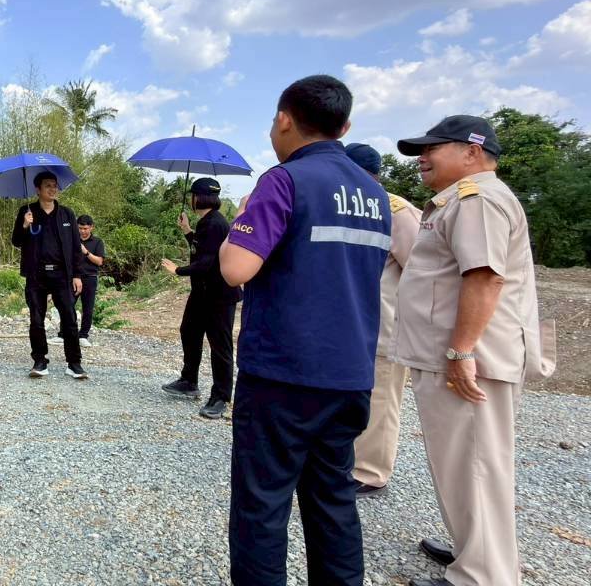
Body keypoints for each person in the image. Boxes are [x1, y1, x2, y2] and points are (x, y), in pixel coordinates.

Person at [218, 75, 390, 585]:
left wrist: (242, 218)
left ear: (284, 119)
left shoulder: (284, 181)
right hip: (350, 376)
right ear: (345, 126)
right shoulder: (374, 193)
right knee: (333, 502)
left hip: (284, 376)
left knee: (262, 506)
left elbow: (235, 269)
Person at [393, 116, 548, 586]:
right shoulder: (462, 200)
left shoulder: (476, 199)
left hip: (467, 360)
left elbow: (483, 277)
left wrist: (461, 352)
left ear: (472, 151)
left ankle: (482, 575)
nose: (422, 158)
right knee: (462, 466)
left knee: (476, 466)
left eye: (432, 148)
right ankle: (473, 550)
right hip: (454, 356)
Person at [345, 143, 422, 498]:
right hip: (350, 323)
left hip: (384, 326)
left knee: (381, 400)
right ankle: (347, 460)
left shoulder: (396, 211)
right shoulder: (347, 205)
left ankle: (371, 472)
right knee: (351, 398)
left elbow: (421, 272)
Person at [160, 177, 241, 419]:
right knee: (189, 331)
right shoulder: (207, 222)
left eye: (192, 195)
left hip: (219, 295)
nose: (191, 200)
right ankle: (189, 381)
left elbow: (206, 262)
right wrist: (187, 231)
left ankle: (221, 397)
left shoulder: (215, 223)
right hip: (202, 293)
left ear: (199, 197)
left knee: (220, 346)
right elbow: (201, 248)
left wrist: (178, 270)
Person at [12, 171, 86, 379]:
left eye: (55, 185)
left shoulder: (67, 214)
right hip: (36, 275)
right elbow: (16, 241)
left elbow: (75, 247)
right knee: (36, 319)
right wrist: (25, 225)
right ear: (38, 189)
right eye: (48, 186)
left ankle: (74, 363)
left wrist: (77, 275)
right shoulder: (27, 211)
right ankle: (40, 361)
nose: (53, 189)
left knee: (69, 318)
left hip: (62, 275)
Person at [74, 214, 105, 349]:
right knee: (67, 306)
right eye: (80, 228)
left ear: (91, 227)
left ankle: (83, 336)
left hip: (90, 278)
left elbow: (99, 261)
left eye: (85, 228)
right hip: (73, 278)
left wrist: (86, 252)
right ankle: (63, 334)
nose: (83, 231)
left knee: (88, 308)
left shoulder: (98, 242)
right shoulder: (72, 239)